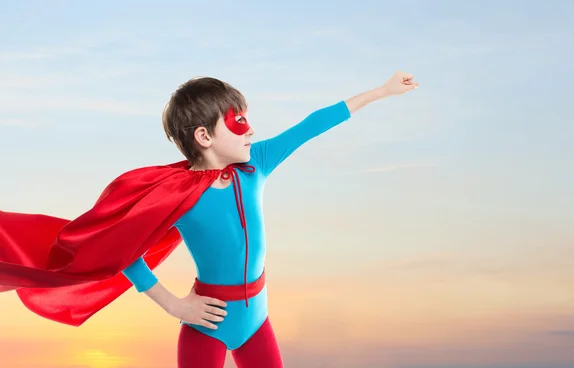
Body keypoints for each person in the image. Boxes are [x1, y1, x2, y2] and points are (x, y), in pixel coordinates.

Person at [0, 71, 418, 368]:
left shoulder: (257, 164)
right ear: (204, 137)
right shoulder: (174, 195)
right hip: (208, 322)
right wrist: (175, 305)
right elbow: (125, 252)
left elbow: (311, 125)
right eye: (238, 121)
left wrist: (380, 92)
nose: (250, 130)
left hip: (257, 320)